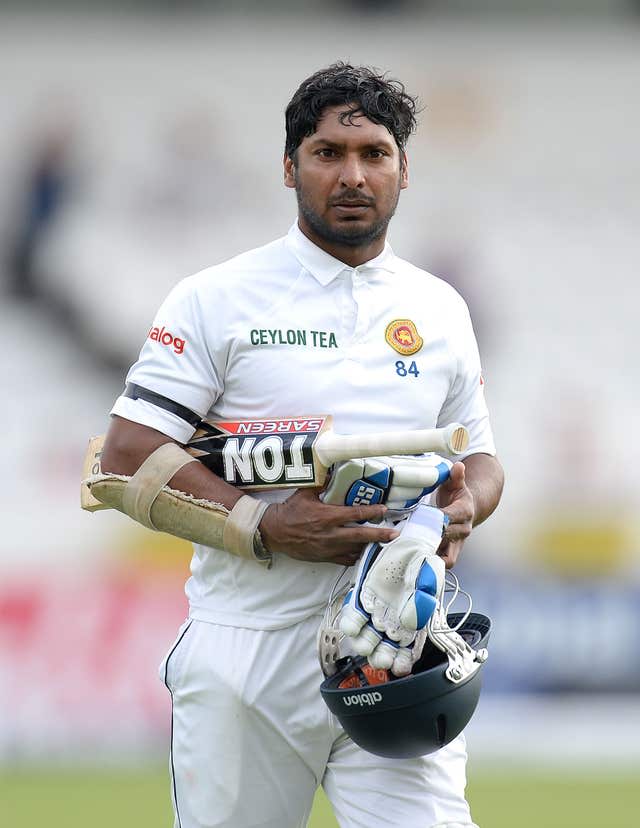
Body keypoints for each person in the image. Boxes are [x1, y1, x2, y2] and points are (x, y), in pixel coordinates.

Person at [100, 62, 504, 828]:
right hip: (246, 651)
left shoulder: (440, 307)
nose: (352, 175)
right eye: (327, 153)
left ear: (403, 170)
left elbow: (480, 458)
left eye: (374, 154)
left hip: (397, 646)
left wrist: (465, 505)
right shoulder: (215, 298)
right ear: (290, 167)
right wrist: (267, 526)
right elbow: (125, 458)